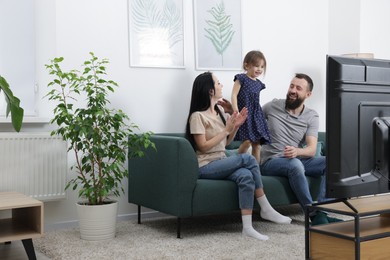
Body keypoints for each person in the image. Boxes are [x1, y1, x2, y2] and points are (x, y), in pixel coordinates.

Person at [185, 71, 292, 241]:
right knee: (248, 158)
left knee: (246, 175)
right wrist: (227, 130)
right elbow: (203, 146)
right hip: (205, 165)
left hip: (221, 161)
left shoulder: (220, 111)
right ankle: (265, 207)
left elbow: (226, 143)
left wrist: (235, 126)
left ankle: (247, 228)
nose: (221, 85)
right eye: (218, 83)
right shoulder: (197, 116)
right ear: (210, 90)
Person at [259, 73, 340, 225]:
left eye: (298, 88)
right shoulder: (272, 106)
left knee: (334, 163)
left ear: (308, 94)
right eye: (291, 86)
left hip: (295, 157)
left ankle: (322, 211)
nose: (293, 90)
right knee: (295, 164)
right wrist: (232, 110)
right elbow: (252, 119)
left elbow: (311, 149)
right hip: (271, 161)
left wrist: (298, 151)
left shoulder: (311, 116)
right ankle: (314, 215)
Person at [231, 50, 271, 163]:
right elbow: (234, 95)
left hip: (256, 116)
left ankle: (256, 170)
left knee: (257, 145)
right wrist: (236, 111)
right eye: (256, 66)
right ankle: (235, 163)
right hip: (245, 114)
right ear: (247, 65)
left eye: (262, 67)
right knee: (247, 141)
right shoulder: (241, 78)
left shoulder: (259, 84)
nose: (259, 69)